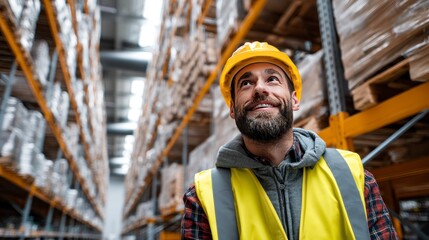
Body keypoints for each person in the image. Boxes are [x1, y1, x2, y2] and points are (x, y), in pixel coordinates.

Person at [181, 41, 398, 239]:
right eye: (246, 83)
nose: (259, 88)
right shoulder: (203, 196)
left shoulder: (353, 176)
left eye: (272, 79)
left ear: (294, 100)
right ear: (232, 108)